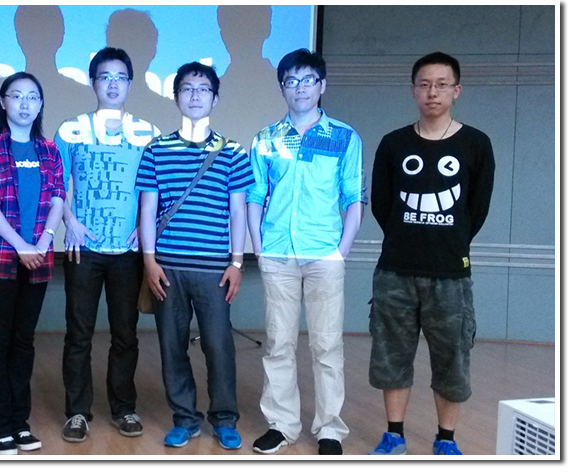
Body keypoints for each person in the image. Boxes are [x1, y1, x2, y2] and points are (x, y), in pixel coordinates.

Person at [367, 52, 495, 456]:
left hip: (450, 273)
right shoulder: (394, 143)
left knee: (452, 358)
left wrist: (448, 241)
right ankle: (394, 435)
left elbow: (477, 209)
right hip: (395, 271)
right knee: (391, 355)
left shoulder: (476, 143)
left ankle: (446, 439)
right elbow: (382, 204)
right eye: (424, 84)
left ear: (457, 90)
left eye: (441, 84)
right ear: (413, 91)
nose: (432, 92)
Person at [246, 48, 366, 456]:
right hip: (278, 253)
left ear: (322, 85)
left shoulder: (344, 137)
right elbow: (255, 196)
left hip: (324, 255)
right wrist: (259, 248)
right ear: (282, 87)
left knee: (327, 346)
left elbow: (353, 198)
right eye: (291, 81)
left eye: (308, 80)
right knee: (278, 344)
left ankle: (330, 428)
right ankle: (281, 425)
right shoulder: (266, 139)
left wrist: (341, 251)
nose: (300, 88)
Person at [136, 62, 255, 450]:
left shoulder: (233, 151)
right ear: (176, 97)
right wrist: (149, 260)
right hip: (167, 267)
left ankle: (225, 419)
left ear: (215, 99)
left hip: (214, 269)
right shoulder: (157, 149)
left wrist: (237, 262)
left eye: (203, 89)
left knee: (219, 347)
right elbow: (147, 209)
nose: (195, 96)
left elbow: (238, 211)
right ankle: (185, 419)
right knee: (172, 347)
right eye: (187, 89)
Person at [54, 47, 159, 443]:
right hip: (83, 247)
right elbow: (55, 184)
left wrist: (145, 227)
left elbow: (157, 188)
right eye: (105, 77)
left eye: (120, 77)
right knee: (78, 334)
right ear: (92, 82)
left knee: (125, 334)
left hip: (128, 252)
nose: (113, 84)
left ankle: (124, 408)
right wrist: (70, 222)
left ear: (130, 83)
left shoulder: (147, 132)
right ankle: (77, 412)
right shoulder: (71, 129)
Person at [0, 72, 65, 455]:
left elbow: (58, 197)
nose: (25, 104)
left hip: (38, 258)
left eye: (32, 97)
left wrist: (42, 242)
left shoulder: (49, 150)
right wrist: (21, 245)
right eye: (17, 96)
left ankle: (19, 423)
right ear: (3, 102)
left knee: (23, 342)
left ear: (41, 104)